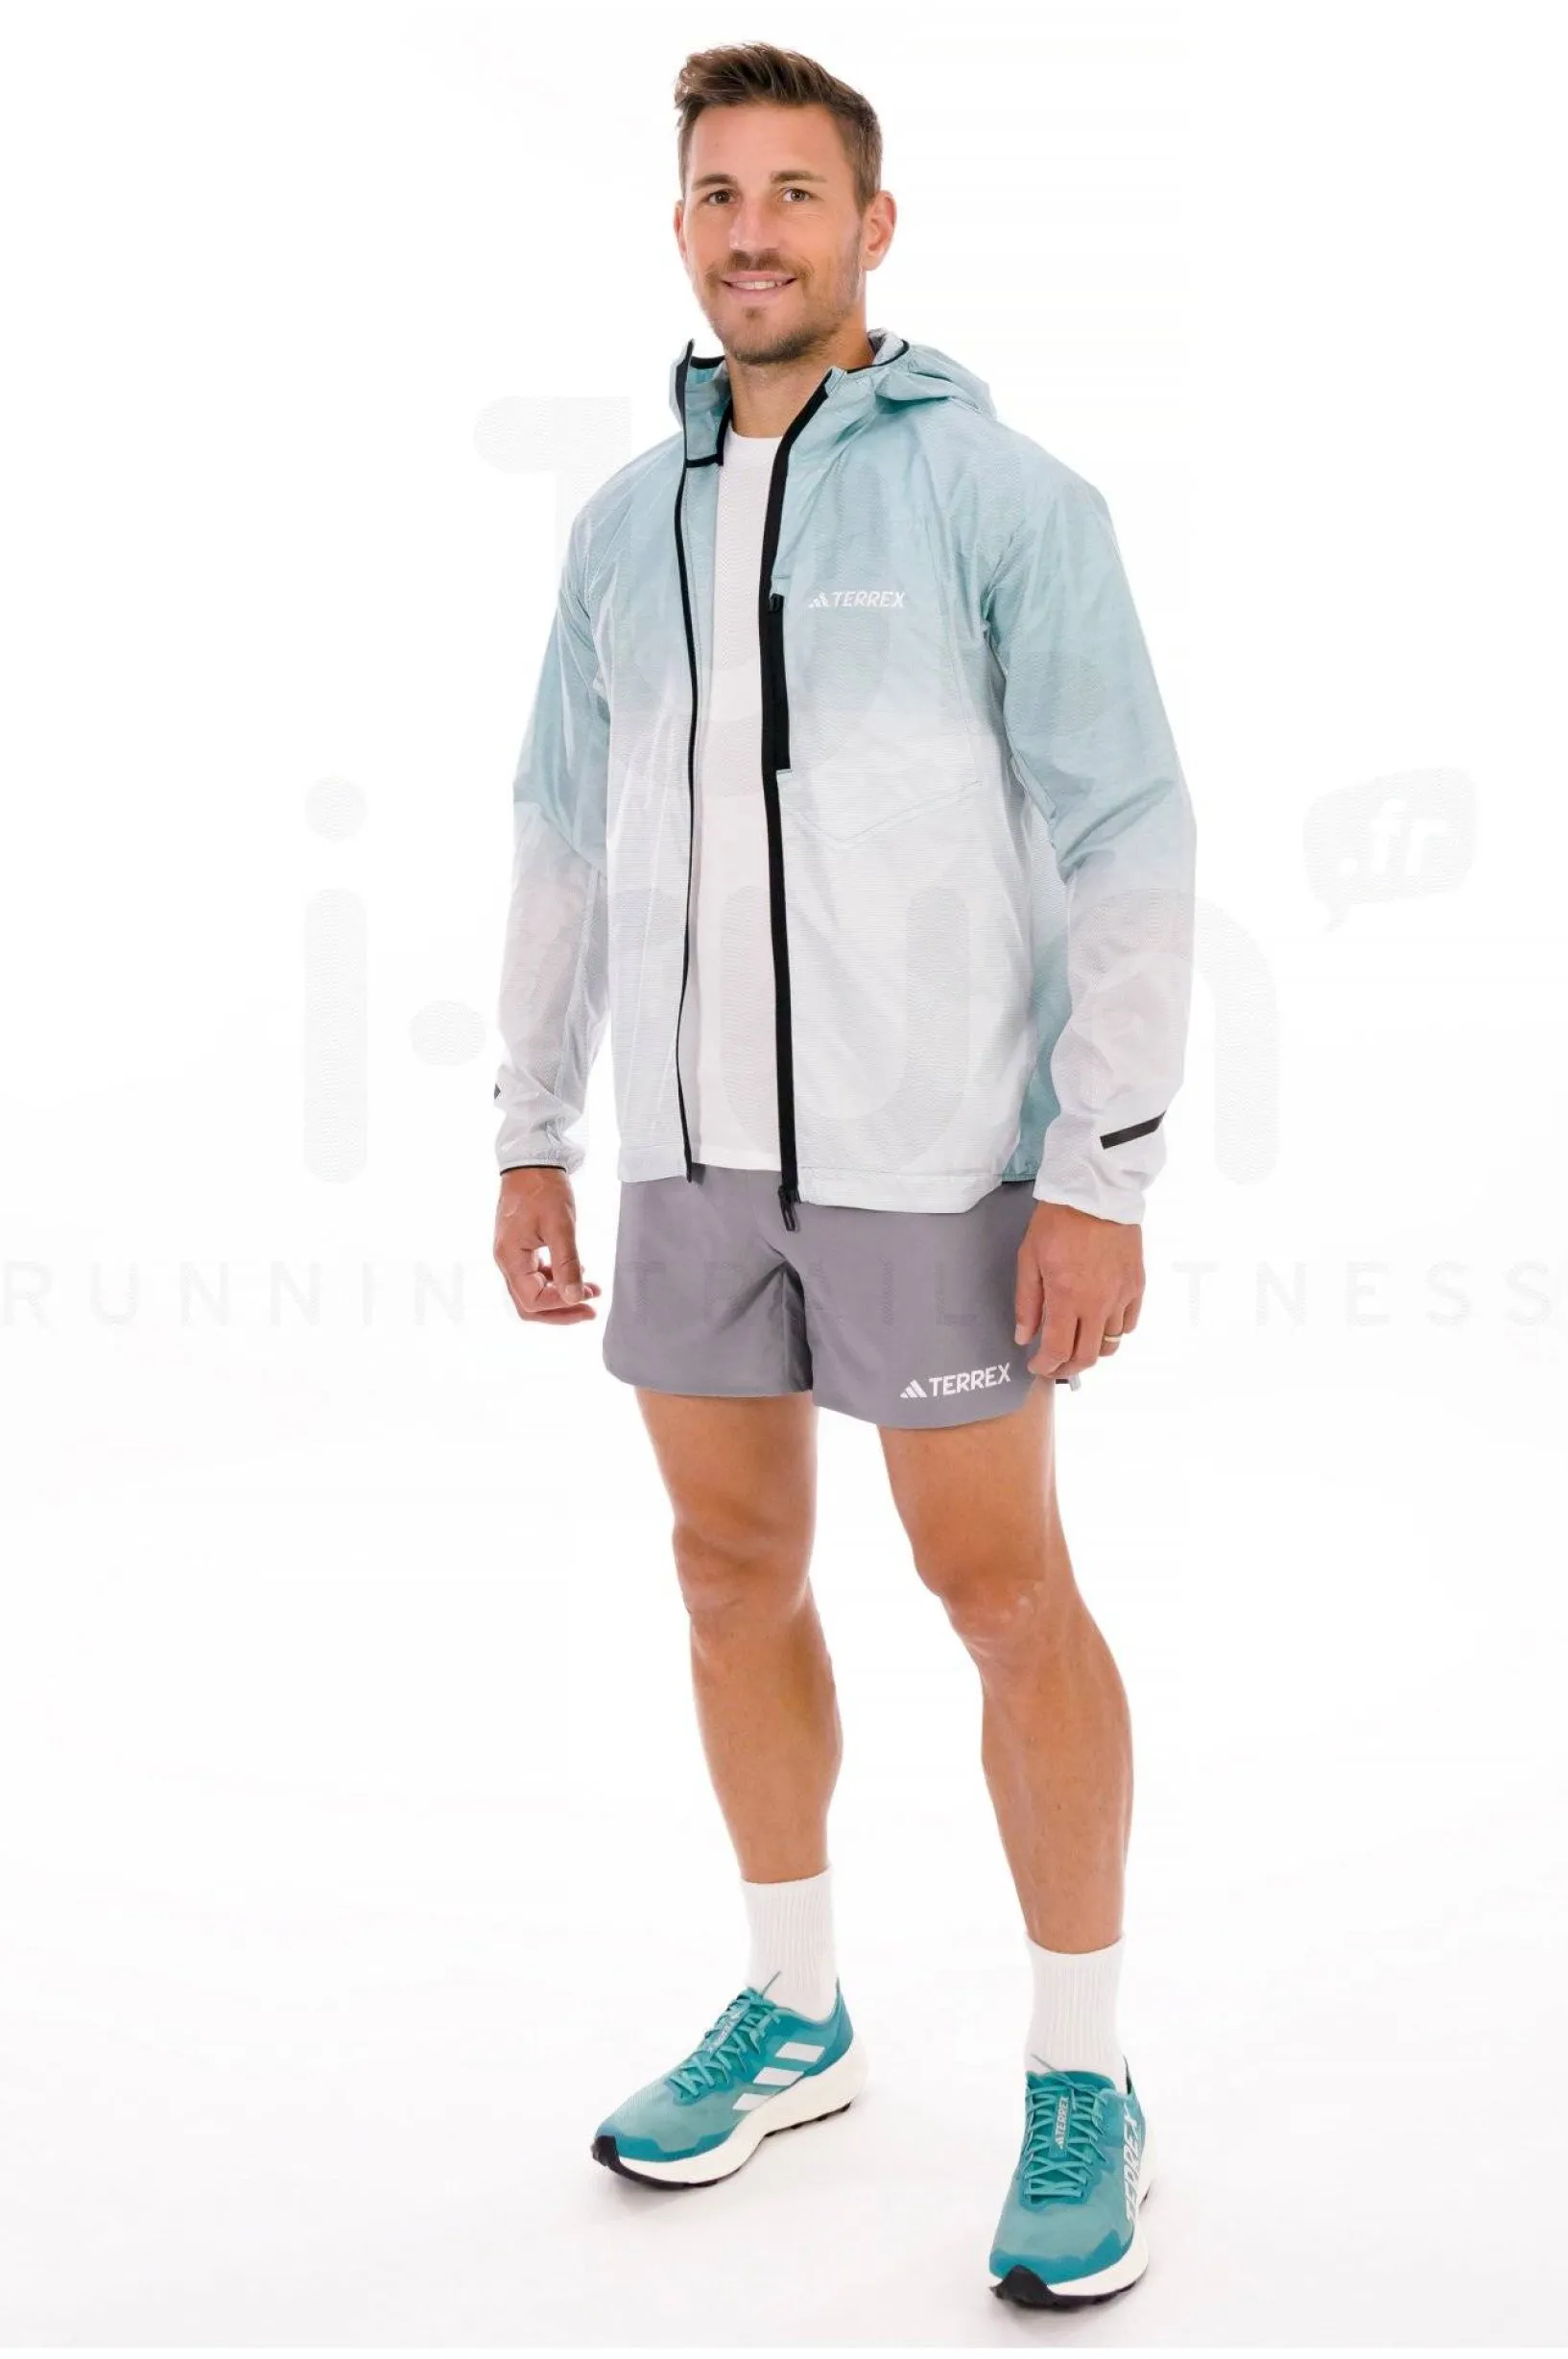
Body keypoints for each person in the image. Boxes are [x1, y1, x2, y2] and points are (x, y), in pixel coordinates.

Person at [491, 39, 1195, 2310]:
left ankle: (1081, 2070)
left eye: (796, 192)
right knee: (725, 1570)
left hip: (940, 1163)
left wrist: (1101, 1168)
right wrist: (531, 1124)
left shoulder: (1005, 498)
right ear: (679, 227)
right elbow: (559, 835)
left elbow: (1129, 833)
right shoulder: (621, 524)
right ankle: (796, 2009)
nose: (755, 231)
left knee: (1001, 1593)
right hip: (693, 1160)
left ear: (872, 228)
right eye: (720, 193)